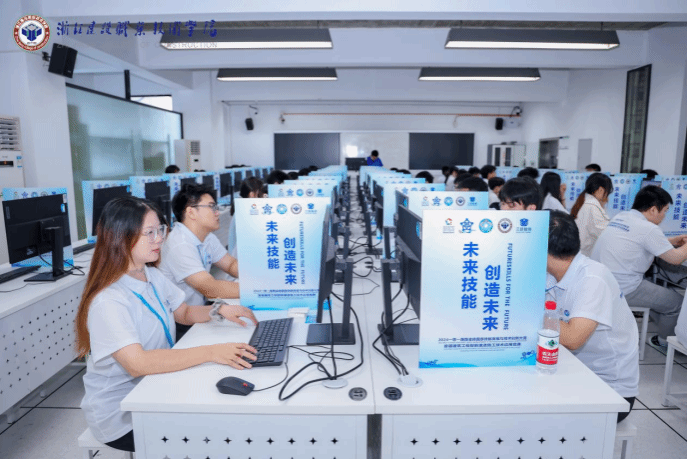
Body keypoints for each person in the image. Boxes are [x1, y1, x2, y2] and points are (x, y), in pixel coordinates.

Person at [76, 196, 257, 452]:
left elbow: (183, 312)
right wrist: (211, 352)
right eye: (149, 232)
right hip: (124, 415)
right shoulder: (109, 301)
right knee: (219, 430)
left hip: (157, 386)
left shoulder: (150, 274)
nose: (159, 238)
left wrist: (220, 310)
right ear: (121, 237)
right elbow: (138, 364)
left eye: (160, 230)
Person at [546, 211, 638, 423]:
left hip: (608, 388)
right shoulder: (551, 273)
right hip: (570, 369)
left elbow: (573, 338)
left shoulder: (593, 278)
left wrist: (526, 310)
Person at [591, 186, 687, 347]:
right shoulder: (649, 228)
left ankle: (664, 328)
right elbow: (676, 258)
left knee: (661, 295)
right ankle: (664, 343)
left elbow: (640, 240)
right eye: (664, 211)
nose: (664, 216)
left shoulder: (622, 217)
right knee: (677, 303)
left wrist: (671, 241)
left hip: (602, 282)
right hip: (624, 287)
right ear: (653, 209)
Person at [158, 184, 243, 338]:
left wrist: (258, 277)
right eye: (211, 207)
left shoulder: (207, 237)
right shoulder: (179, 244)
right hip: (180, 321)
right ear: (191, 212)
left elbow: (231, 265)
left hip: (199, 310)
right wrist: (257, 289)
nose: (217, 212)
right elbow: (210, 288)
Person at [570, 173, 613, 257]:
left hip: (577, 253)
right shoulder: (592, 207)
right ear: (601, 190)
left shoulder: (583, 201)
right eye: (607, 192)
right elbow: (605, 234)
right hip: (584, 255)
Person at [228, 177, 265, 259]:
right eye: (261, 193)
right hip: (238, 259)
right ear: (252, 194)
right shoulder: (245, 213)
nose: (262, 196)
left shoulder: (243, 209)